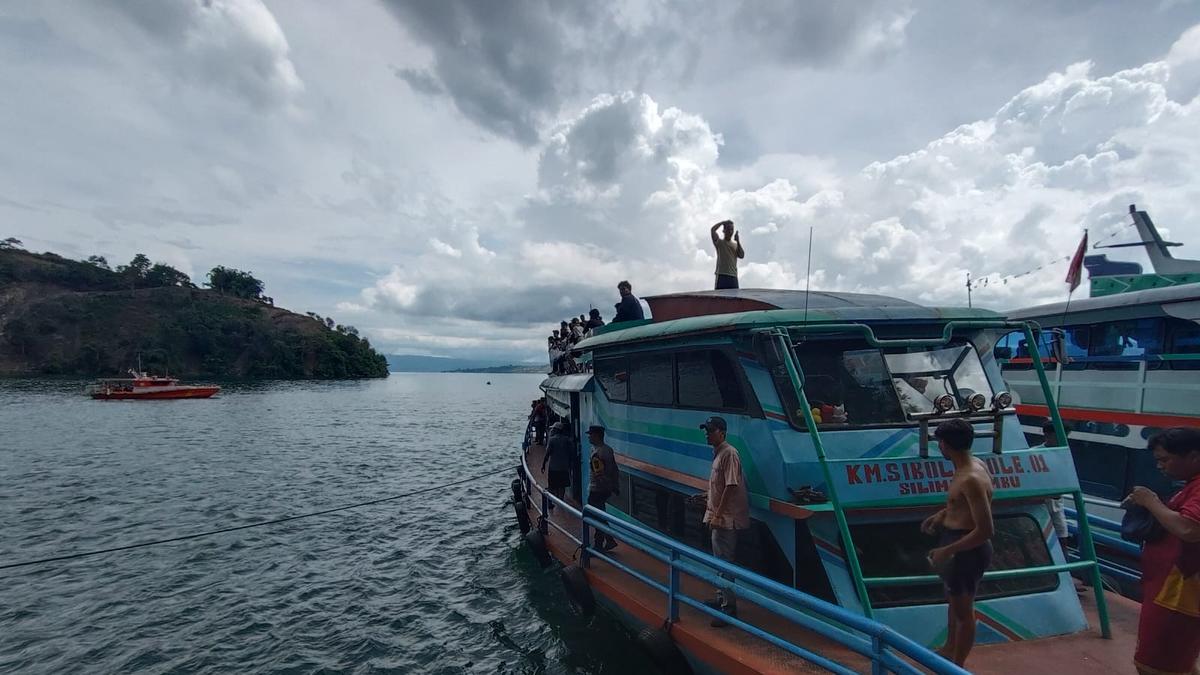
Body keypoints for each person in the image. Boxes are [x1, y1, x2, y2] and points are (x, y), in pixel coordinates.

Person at [1125, 427, 1200, 675]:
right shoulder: (1189, 486)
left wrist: (1150, 501)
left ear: (1193, 457)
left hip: (1178, 592)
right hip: (1168, 587)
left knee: (1157, 663)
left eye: (1165, 460)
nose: (1160, 466)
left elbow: (1190, 529)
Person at [921, 418, 994, 667]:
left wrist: (946, 551)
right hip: (957, 542)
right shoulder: (972, 466)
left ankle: (957, 666)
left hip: (966, 549)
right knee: (953, 604)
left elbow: (985, 530)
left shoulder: (970, 478)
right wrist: (941, 516)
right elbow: (962, 505)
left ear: (945, 445)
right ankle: (948, 649)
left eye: (939, 442)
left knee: (964, 612)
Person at [687, 416, 750, 627]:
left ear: (722, 432)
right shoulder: (718, 454)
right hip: (718, 517)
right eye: (706, 430)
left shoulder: (729, 453)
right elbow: (719, 487)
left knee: (725, 564)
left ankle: (729, 609)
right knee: (718, 562)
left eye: (711, 430)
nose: (707, 433)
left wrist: (717, 515)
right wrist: (705, 497)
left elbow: (731, 486)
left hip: (725, 520)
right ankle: (721, 598)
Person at [1034, 419, 1073, 548]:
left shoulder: (1065, 453)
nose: (1063, 439)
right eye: (1060, 436)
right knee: (1037, 540)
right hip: (1037, 505)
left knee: (1062, 539)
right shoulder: (1033, 454)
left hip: (1056, 506)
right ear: (1047, 435)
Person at [586, 425, 620, 551]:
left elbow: (599, 474)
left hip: (597, 489)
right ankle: (608, 540)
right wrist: (614, 486)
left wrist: (607, 485)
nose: (589, 436)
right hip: (605, 489)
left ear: (596, 436)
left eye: (590, 434)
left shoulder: (597, 453)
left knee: (595, 516)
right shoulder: (608, 450)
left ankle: (600, 544)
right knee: (600, 514)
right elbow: (615, 469)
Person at [541, 421, 574, 502]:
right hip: (564, 467)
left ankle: (553, 501)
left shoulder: (552, 440)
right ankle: (561, 500)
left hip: (553, 467)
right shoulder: (567, 440)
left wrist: (543, 464)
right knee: (562, 485)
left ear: (556, 430)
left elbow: (548, 453)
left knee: (553, 485)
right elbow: (571, 453)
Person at [710, 219, 744, 290]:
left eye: (732, 229)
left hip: (733, 276)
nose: (730, 232)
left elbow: (741, 255)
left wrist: (738, 241)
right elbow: (713, 230)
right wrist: (722, 222)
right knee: (719, 299)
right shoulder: (719, 242)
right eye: (728, 229)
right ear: (724, 230)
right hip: (722, 275)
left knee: (735, 299)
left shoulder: (735, 245)